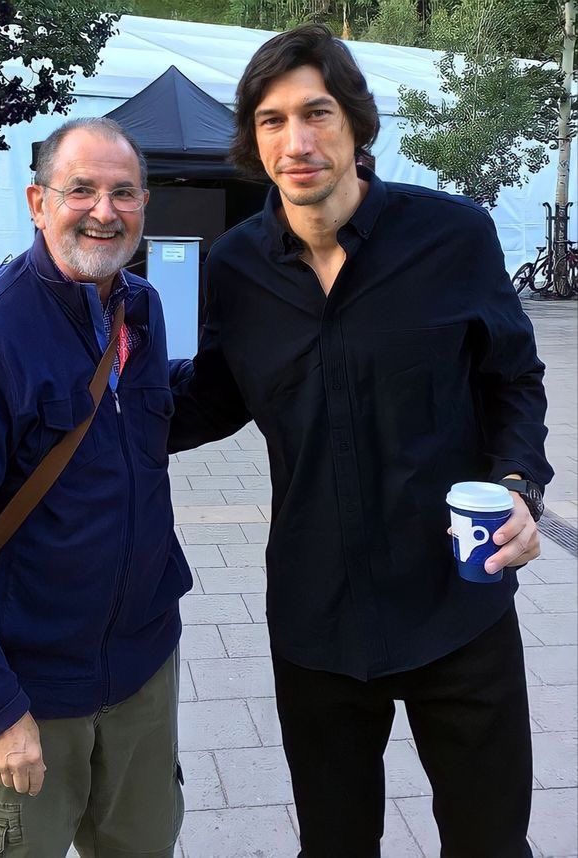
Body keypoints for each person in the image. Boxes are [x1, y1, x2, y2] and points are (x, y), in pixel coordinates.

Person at [169, 24, 551, 858]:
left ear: (355, 124)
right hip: (318, 617)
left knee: (490, 844)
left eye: (316, 113)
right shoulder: (235, 265)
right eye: (271, 120)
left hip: (456, 603)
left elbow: (512, 380)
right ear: (253, 140)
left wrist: (518, 486)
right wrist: (80, 402)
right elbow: (216, 396)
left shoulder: (452, 236)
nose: (296, 142)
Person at [0, 118, 191, 858]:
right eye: (80, 189)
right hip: (27, 692)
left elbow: (136, 433)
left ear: (144, 204)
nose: (104, 211)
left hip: (141, 674)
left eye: (124, 193)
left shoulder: (142, 308)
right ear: (37, 202)